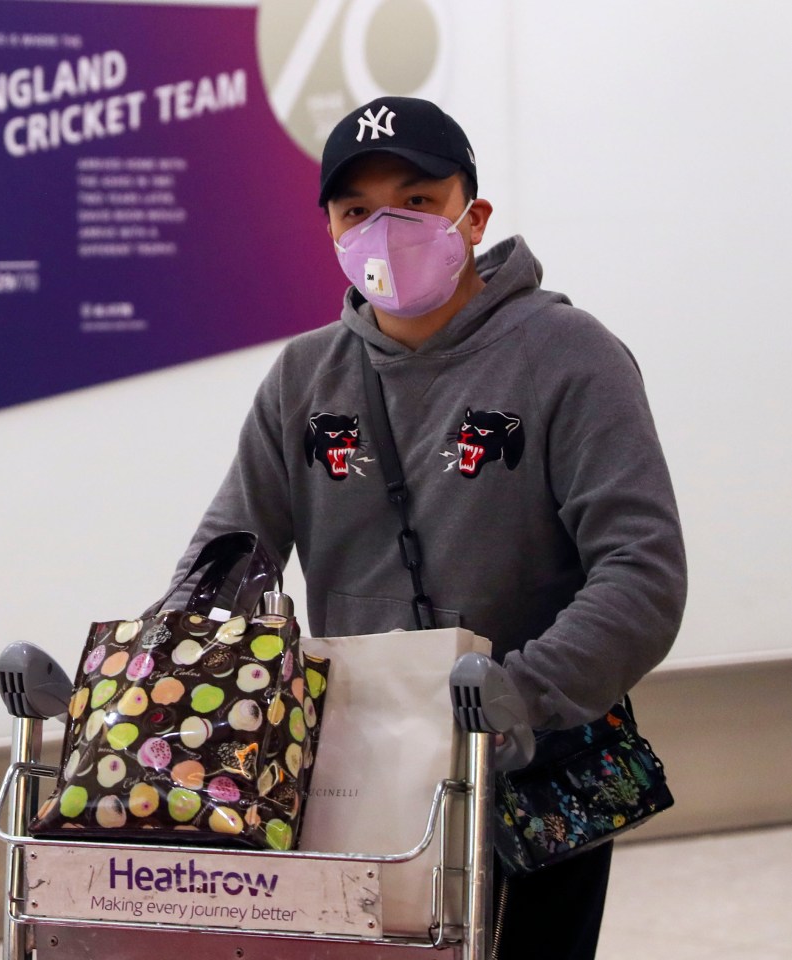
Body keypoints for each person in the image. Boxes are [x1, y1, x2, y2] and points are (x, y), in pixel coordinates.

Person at [166, 96, 687, 959]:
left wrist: (513, 702)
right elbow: (225, 559)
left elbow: (642, 574)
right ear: (332, 232)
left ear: (471, 216)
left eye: (415, 200)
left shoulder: (570, 357)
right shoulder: (303, 378)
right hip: (355, 790)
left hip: (527, 779)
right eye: (357, 210)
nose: (386, 228)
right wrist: (161, 687)